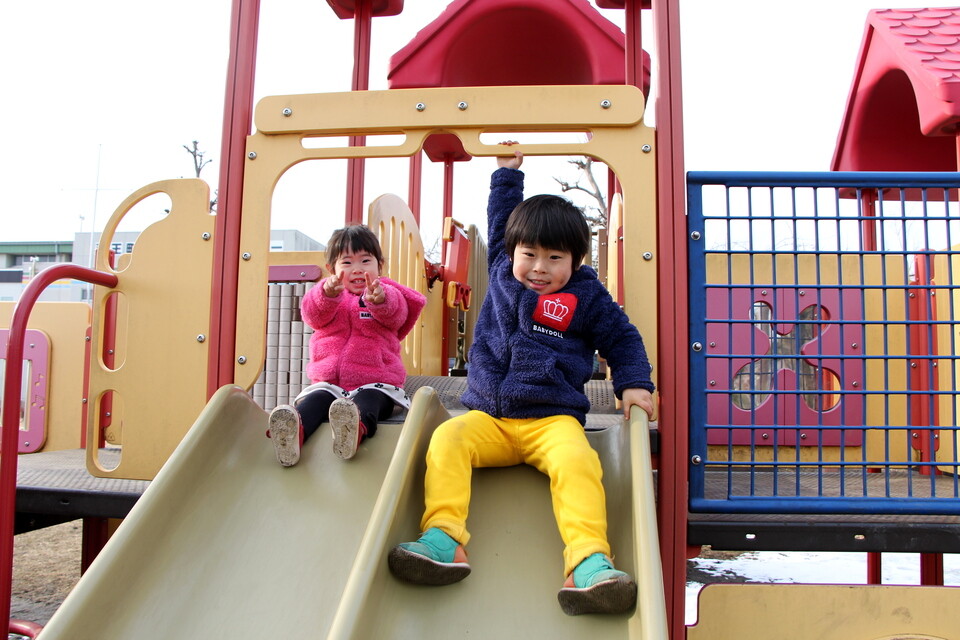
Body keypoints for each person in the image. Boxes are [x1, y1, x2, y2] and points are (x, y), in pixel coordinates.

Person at [387, 143, 656, 616]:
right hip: (488, 416)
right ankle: (444, 537)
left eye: (555, 258)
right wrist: (507, 174)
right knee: (447, 438)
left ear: (576, 260)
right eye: (529, 254)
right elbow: (501, 217)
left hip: (552, 421)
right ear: (512, 251)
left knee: (579, 462)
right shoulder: (500, 270)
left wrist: (634, 382)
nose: (539, 268)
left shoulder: (587, 297)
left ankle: (589, 561)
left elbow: (622, 338)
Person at [267, 224, 426, 465]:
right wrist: (326, 295)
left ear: (379, 265)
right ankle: (293, 432)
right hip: (330, 383)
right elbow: (312, 315)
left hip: (376, 381)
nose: (357, 270)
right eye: (347, 263)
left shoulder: (386, 293)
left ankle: (353, 430)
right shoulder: (329, 297)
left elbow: (396, 315)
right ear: (332, 269)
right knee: (315, 401)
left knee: (369, 402)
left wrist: (380, 300)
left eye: (365, 261)